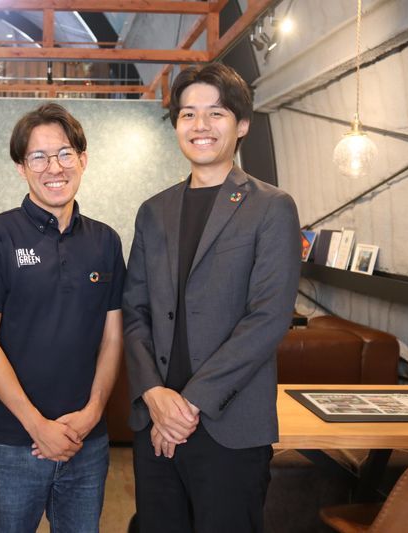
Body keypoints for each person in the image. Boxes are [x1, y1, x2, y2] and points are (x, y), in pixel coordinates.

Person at [123, 64, 301, 532]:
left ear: (241, 125)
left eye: (216, 113)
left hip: (230, 425)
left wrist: (189, 405)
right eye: (188, 114)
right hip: (156, 421)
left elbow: (268, 318)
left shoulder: (271, 206)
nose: (200, 125)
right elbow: (135, 312)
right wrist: (155, 395)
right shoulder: (154, 211)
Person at [0, 102, 125, 533]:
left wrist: (92, 412)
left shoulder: (106, 241)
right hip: (15, 442)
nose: (54, 167)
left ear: (83, 159)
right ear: (21, 167)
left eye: (65, 153)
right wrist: (37, 426)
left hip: (87, 441)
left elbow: (113, 337)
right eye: (39, 157)